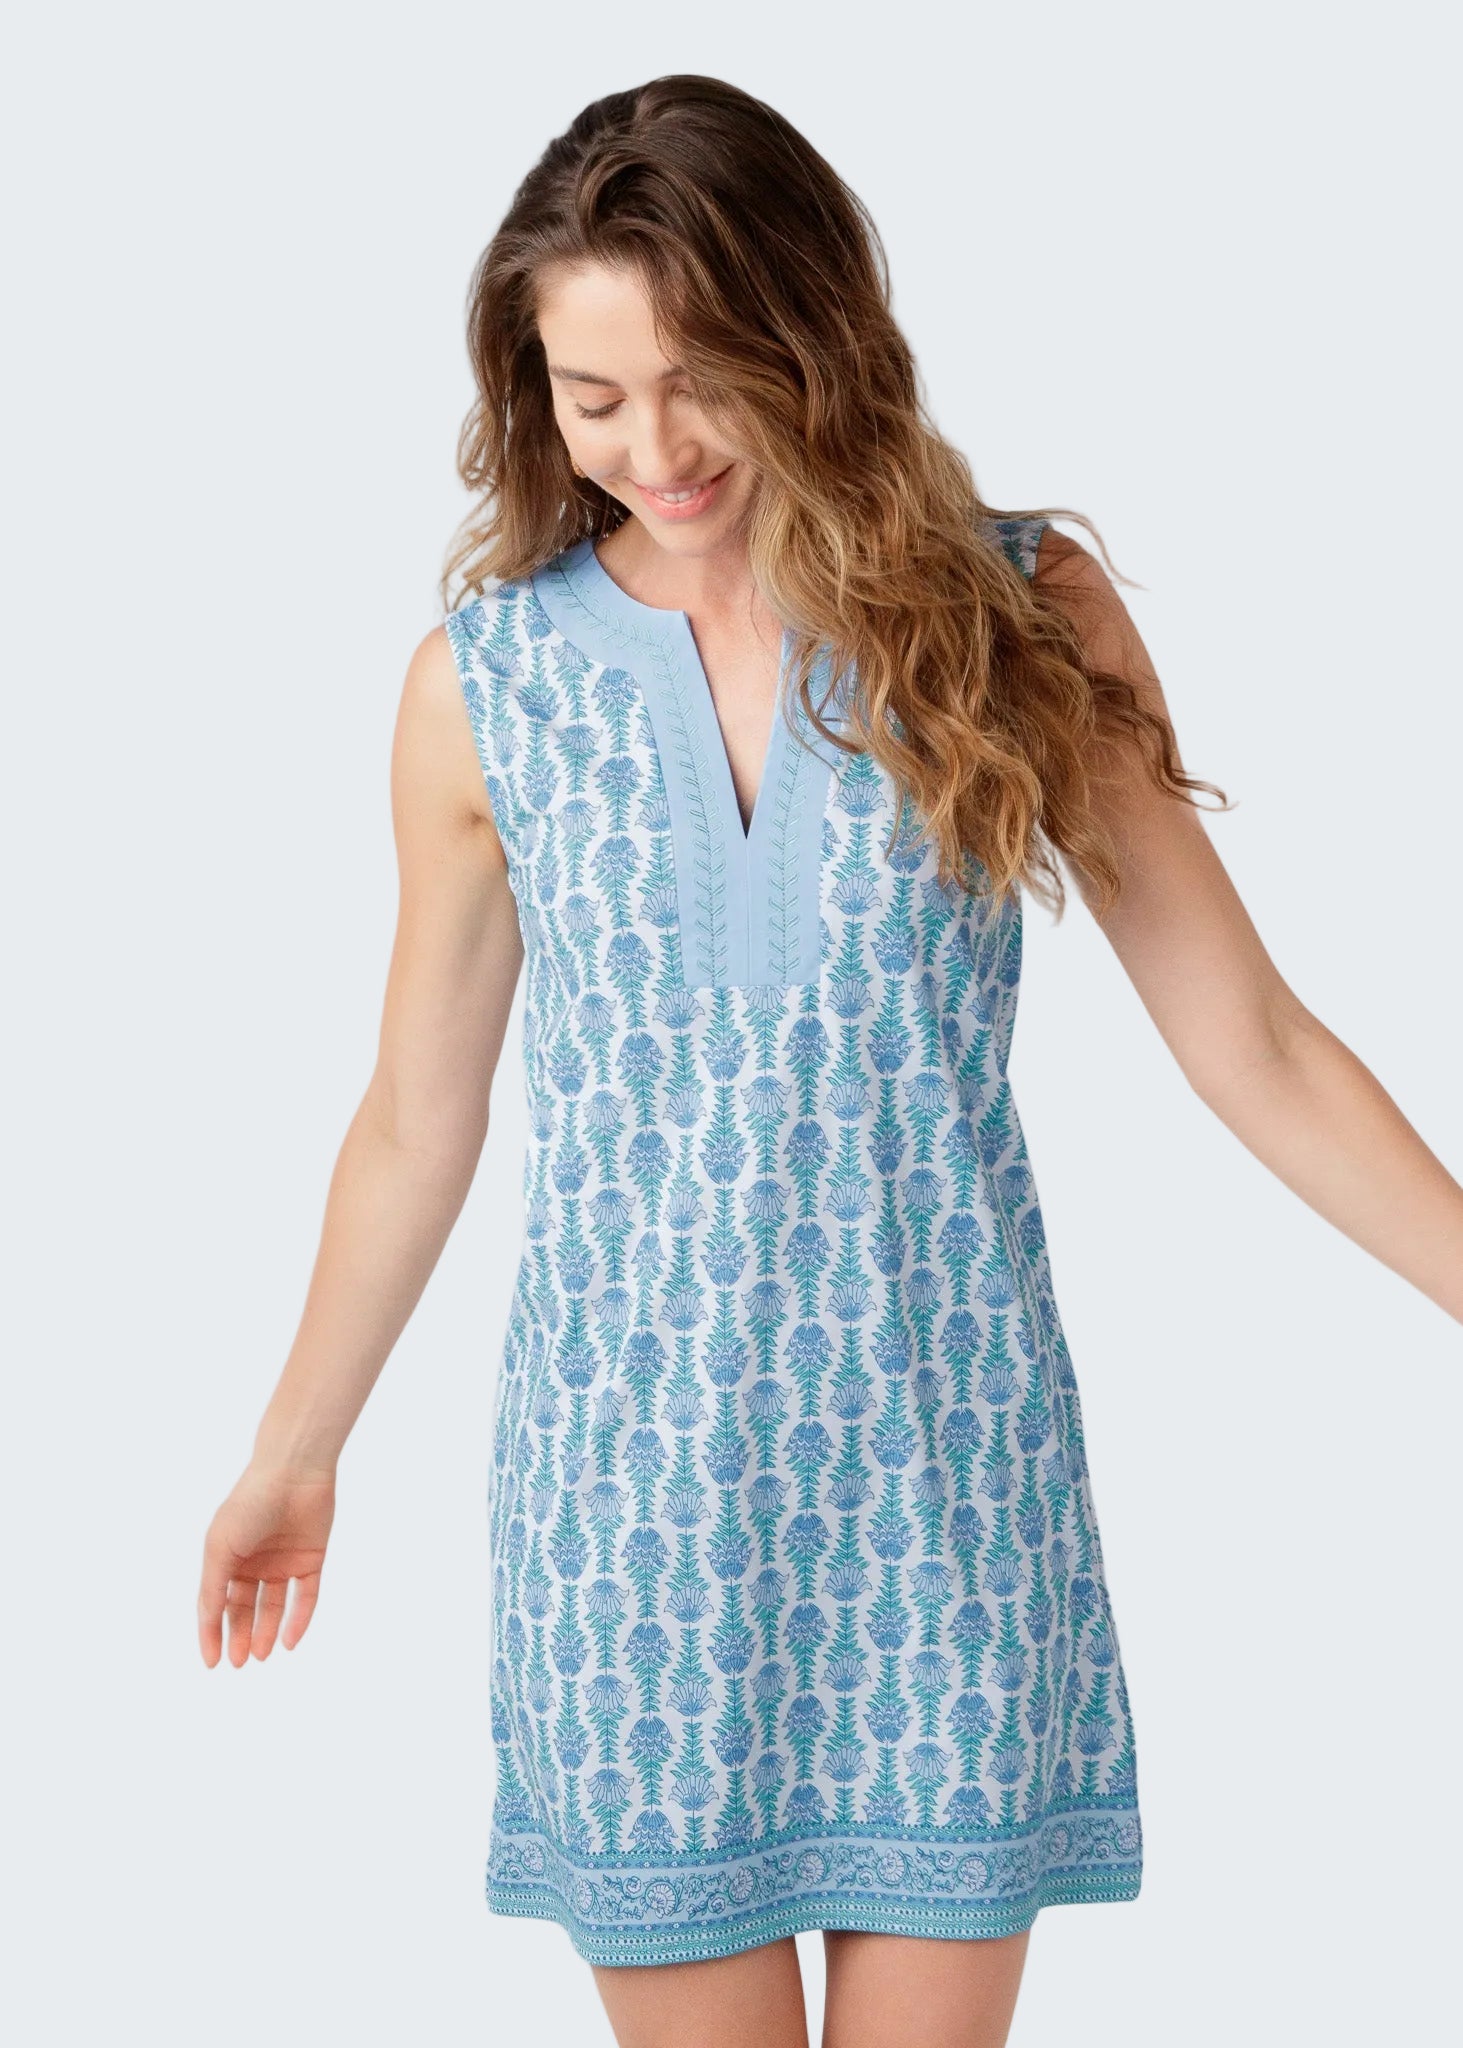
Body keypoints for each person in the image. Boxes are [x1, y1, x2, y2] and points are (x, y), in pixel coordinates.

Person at [196, 73, 1463, 2048]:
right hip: (632, 1521)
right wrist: (293, 1452)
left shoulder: (1013, 612)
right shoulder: (484, 692)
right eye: (590, 397)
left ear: (816, 331)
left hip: (941, 1492)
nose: (655, 445)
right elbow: (410, 1121)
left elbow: (1258, 1046)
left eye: (699, 377)